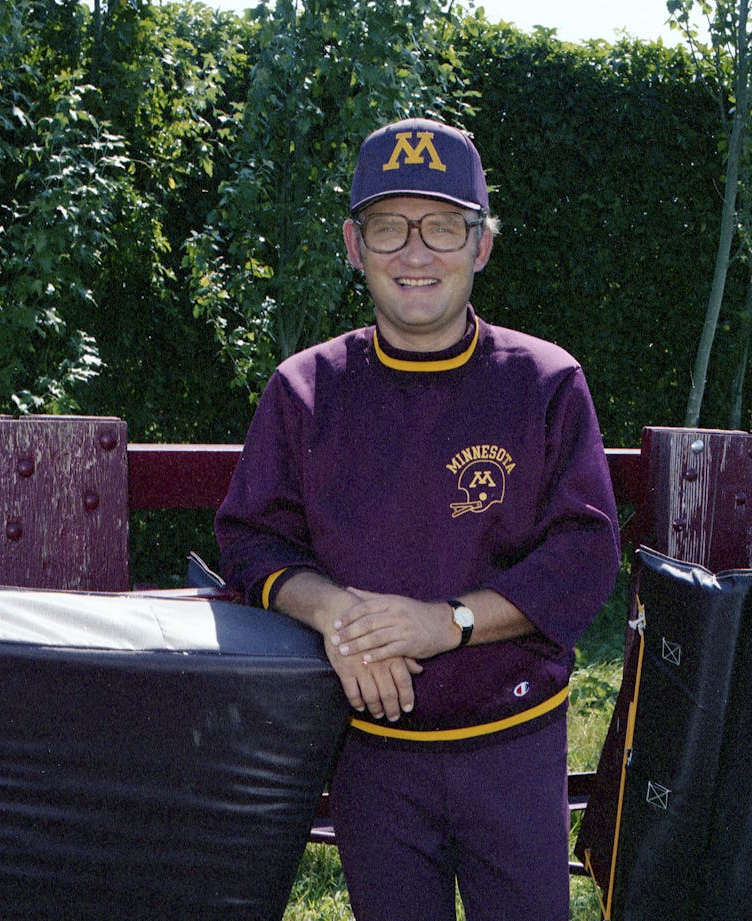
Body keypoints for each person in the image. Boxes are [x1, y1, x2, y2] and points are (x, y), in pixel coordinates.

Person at [214, 116, 621, 921]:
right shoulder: (304, 390)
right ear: (353, 244)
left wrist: (448, 621)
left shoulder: (544, 382)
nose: (415, 251)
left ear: (481, 246)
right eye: (388, 226)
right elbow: (249, 538)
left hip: (513, 737)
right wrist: (335, 614)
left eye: (442, 226)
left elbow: (586, 550)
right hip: (372, 754)